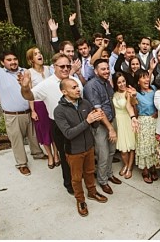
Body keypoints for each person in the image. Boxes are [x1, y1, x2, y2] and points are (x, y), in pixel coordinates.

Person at [19, 53, 84, 195]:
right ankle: (69, 183)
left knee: (80, 152)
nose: (66, 69)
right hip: (60, 126)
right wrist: (25, 87)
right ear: (54, 67)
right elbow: (29, 96)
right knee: (66, 156)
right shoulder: (46, 84)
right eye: (62, 66)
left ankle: (81, 176)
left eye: (68, 66)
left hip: (79, 123)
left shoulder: (74, 81)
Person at [54, 78, 109, 217]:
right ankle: (80, 200)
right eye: (74, 87)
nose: (78, 89)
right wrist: (87, 121)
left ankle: (92, 192)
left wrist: (97, 119)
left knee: (90, 172)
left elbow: (94, 126)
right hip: (74, 151)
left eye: (77, 86)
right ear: (64, 91)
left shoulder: (85, 103)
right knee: (77, 178)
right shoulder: (59, 111)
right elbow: (68, 134)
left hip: (89, 147)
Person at [0, 51, 46, 176]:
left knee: (33, 136)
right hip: (12, 115)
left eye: (15, 59)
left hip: (29, 111)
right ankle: (22, 164)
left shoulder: (25, 71)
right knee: (17, 140)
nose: (13, 62)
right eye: (9, 60)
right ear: (2, 62)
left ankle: (37, 153)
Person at [83, 59, 119, 195]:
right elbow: (98, 111)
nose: (106, 71)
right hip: (100, 125)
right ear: (96, 71)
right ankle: (103, 181)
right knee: (102, 154)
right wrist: (110, 128)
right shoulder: (91, 86)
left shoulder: (106, 83)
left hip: (111, 119)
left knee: (111, 151)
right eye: (102, 69)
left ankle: (109, 174)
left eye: (107, 68)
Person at [25, 47, 58, 169]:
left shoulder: (50, 69)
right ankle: (49, 155)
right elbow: (29, 94)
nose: (39, 55)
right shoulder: (29, 72)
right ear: (31, 59)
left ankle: (56, 154)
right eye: (35, 54)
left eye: (40, 53)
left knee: (53, 129)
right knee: (44, 131)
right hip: (39, 105)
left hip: (51, 102)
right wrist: (33, 110)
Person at [134, 69, 159, 184]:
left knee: (153, 145)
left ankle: (153, 166)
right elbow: (133, 109)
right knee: (144, 146)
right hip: (143, 121)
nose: (146, 80)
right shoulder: (136, 93)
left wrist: (158, 112)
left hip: (155, 121)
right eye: (143, 77)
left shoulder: (154, 89)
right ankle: (145, 170)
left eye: (147, 77)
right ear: (138, 81)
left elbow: (159, 103)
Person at [112, 72, 137, 179]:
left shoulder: (129, 92)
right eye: (119, 82)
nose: (122, 84)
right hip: (118, 121)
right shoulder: (114, 93)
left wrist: (132, 97)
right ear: (115, 83)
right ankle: (126, 164)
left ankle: (129, 168)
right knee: (123, 150)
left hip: (128, 120)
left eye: (123, 81)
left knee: (131, 146)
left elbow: (133, 107)